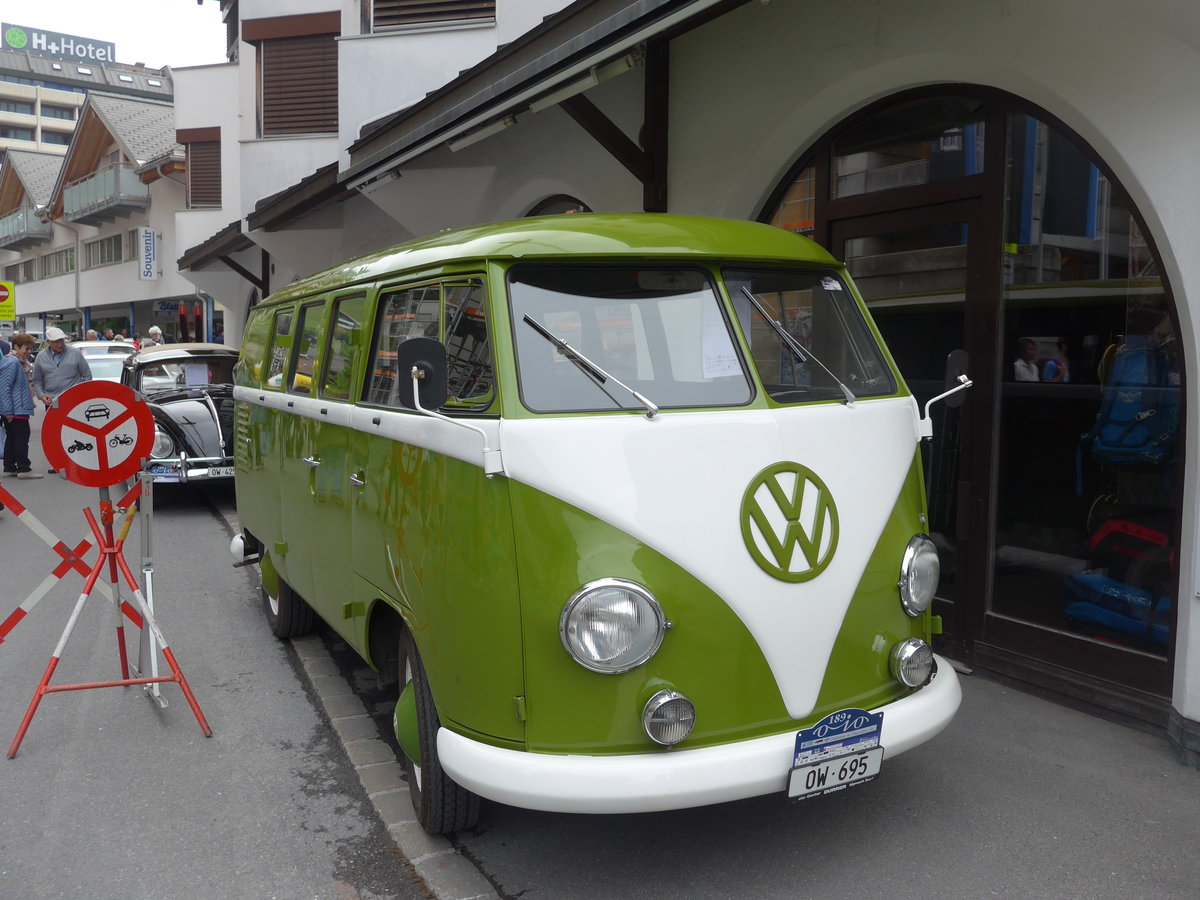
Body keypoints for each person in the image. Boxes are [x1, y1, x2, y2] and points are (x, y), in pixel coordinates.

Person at [32, 326, 92, 474]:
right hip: (52, 402)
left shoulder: (75, 353)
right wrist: (41, 395)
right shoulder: (41, 357)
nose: (60, 344)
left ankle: (78, 463)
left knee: (76, 433)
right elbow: (37, 381)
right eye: (56, 341)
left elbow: (87, 376)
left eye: (62, 340)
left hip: (73, 401)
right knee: (54, 434)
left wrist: (80, 394)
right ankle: (57, 463)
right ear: (48, 342)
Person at [1, 334, 40, 479]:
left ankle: (10, 467)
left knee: (12, 437)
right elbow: (4, 388)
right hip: (16, 408)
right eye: (26, 348)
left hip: (15, 407)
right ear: (16, 347)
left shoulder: (13, 361)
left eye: (30, 348)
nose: (29, 351)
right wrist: (7, 411)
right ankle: (24, 468)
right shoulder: (12, 363)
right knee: (21, 437)